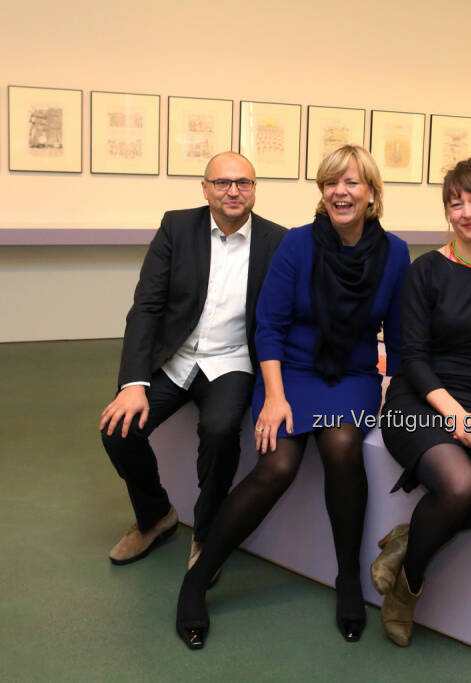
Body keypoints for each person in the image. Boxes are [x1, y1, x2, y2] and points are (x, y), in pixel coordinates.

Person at [174, 145, 409, 649]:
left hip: (352, 376)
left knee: (343, 448)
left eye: (352, 183)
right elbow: (270, 326)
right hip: (291, 373)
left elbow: (402, 334)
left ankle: (348, 578)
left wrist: (406, 395)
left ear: (372, 193)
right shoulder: (297, 245)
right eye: (331, 183)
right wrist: (275, 397)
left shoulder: (396, 253)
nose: (340, 192)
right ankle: (197, 579)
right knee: (277, 466)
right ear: (322, 193)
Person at [372, 152, 471, 647]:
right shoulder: (426, 271)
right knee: (460, 482)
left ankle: (408, 539)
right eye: (455, 203)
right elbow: (413, 357)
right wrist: (458, 418)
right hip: (422, 397)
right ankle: (410, 584)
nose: (466, 211)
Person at [100, 151, 286, 572]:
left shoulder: (278, 241)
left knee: (220, 430)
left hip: (233, 359)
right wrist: (133, 382)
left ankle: (207, 533)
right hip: (176, 356)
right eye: (222, 182)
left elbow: (284, 317)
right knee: (118, 431)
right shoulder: (177, 227)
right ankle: (155, 517)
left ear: (255, 189)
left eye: (244, 182)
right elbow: (146, 306)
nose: (233, 191)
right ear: (205, 189)